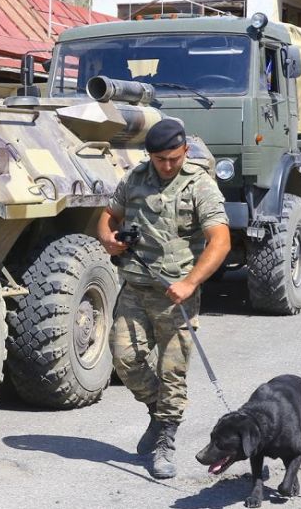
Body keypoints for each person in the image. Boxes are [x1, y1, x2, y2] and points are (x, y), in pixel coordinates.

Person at [97, 119, 230, 479]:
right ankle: (160, 413)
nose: (166, 165)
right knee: (125, 359)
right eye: (160, 159)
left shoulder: (200, 184)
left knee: (172, 370)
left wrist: (190, 283)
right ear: (150, 155)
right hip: (136, 286)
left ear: (184, 151)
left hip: (176, 295)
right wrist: (109, 238)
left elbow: (220, 240)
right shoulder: (135, 178)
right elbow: (108, 216)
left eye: (173, 158)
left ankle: (165, 440)